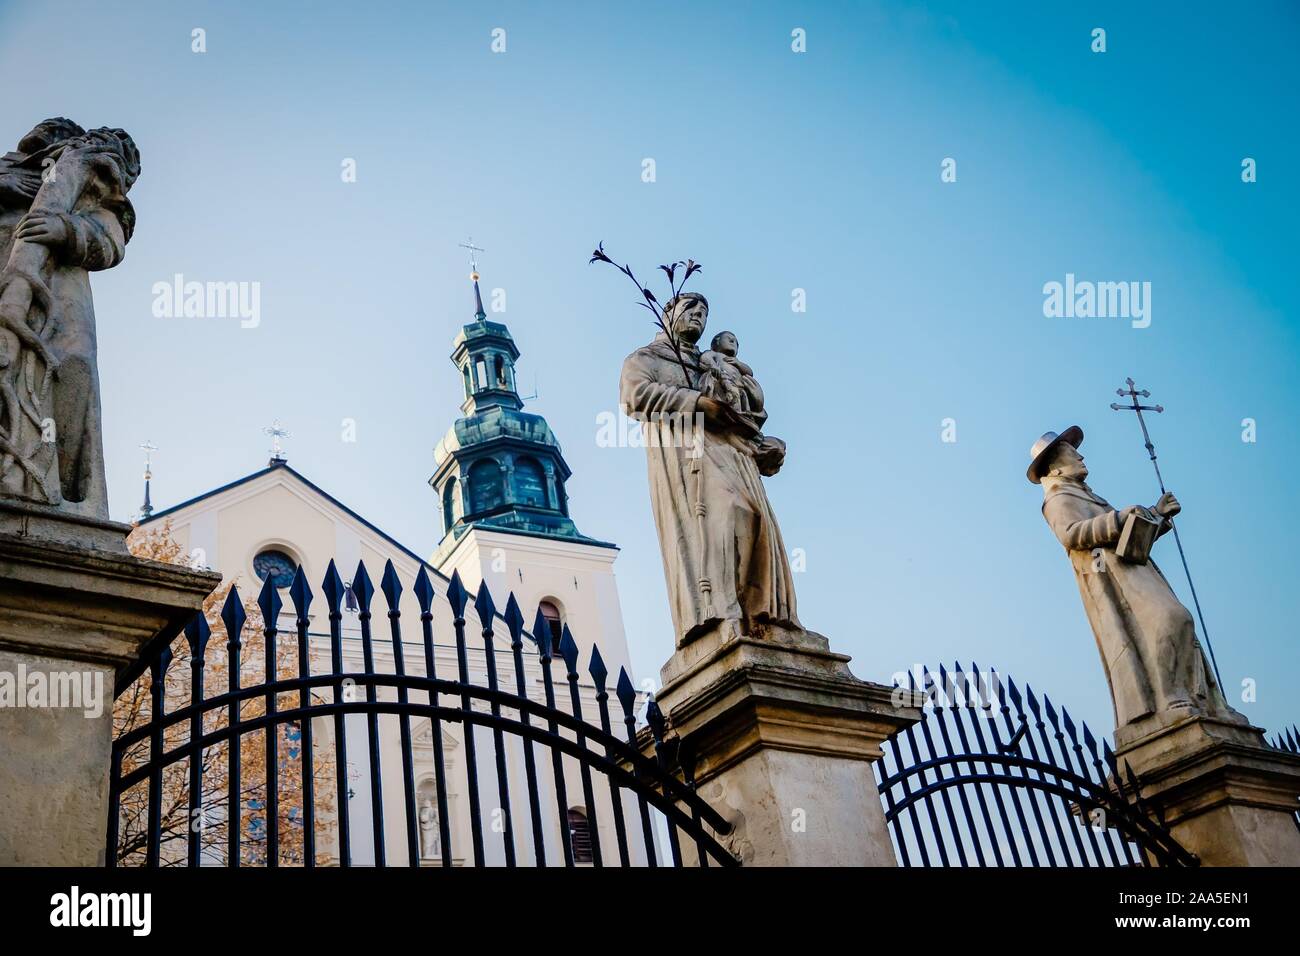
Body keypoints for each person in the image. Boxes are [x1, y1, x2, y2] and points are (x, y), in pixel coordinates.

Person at [1028, 426, 1243, 729]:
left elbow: (1128, 535)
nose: (1081, 455)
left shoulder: (1091, 496)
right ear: (1056, 465)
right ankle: (1170, 700)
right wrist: (1118, 518)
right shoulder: (1057, 500)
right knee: (1167, 619)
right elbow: (1071, 534)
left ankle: (1208, 703)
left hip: (1136, 570)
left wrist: (1157, 515)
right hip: (1114, 581)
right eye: (1072, 452)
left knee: (1181, 623)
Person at [620, 292, 799, 646]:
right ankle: (720, 611)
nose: (699, 316)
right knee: (729, 514)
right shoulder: (645, 358)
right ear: (668, 313)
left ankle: (760, 616)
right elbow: (635, 395)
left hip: (733, 455)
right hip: (687, 459)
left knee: (757, 524)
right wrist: (696, 403)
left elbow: (739, 411)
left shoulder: (709, 363)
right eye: (690, 308)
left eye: (705, 312)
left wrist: (760, 445)